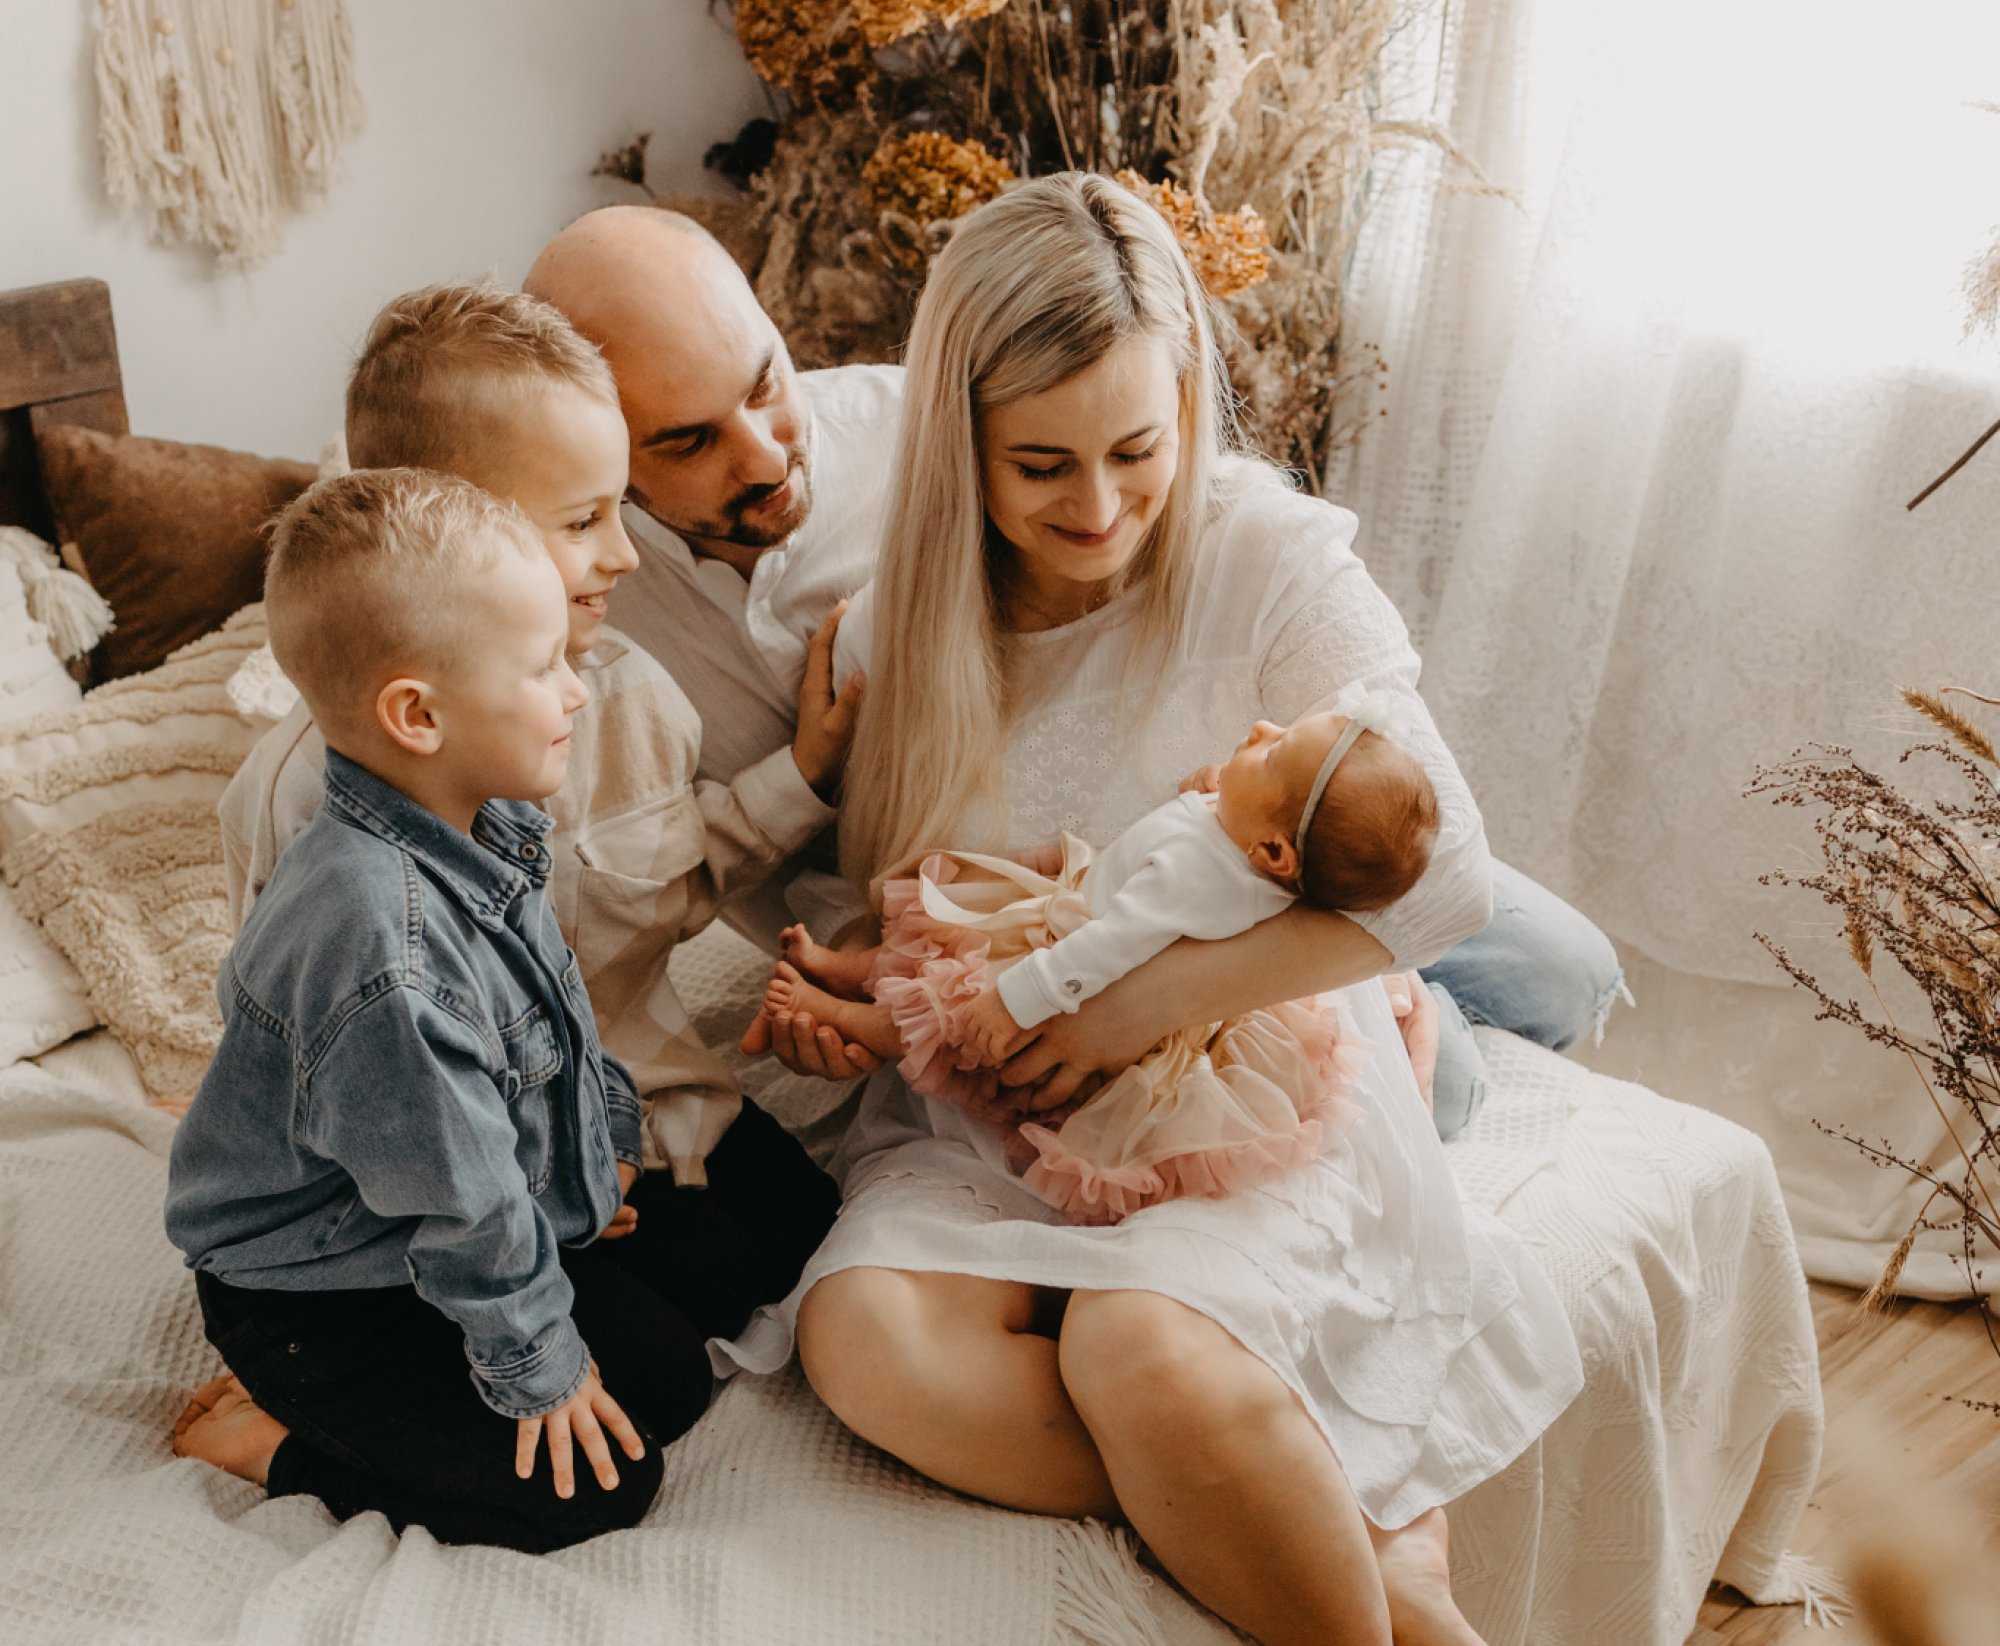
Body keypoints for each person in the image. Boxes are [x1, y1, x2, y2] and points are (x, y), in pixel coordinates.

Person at [737, 173, 1586, 1646]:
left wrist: (1146, 1005)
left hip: (1234, 1077)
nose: (1103, 507)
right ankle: (1355, 1535)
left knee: (1137, 1350)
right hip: (992, 1103)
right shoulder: (899, 626)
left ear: (1187, 397)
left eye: (1138, 448)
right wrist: (836, 980)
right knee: (864, 1343)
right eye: (1042, 466)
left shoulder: (1269, 562)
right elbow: (928, 913)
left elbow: (1444, 875)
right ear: (961, 446)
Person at [525, 202, 1624, 1129]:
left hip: (1206, 809)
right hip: (987, 888)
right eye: (687, 441)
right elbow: (651, 874)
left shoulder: (922, 425)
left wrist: (1343, 947)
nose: (766, 451)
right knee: (1439, 1090)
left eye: (765, 381)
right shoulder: (570, 605)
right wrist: (856, 921)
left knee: (1560, 970)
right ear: (594, 450)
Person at [167, 470, 835, 1551]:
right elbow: (462, 1202)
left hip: (435, 1216)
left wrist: (599, 1157)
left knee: (693, 1323)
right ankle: (275, 1436)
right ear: (417, 716)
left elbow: (560, 1025)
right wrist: (540, 1370)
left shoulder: (487, 826)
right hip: (328, 1287)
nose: (575, 693)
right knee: (603, 1483)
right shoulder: (381, 955)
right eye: (542, 668)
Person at [217, 284, 860, 1203]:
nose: (626, 555)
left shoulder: (633, 694)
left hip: (653, 1107)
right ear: (451, 528)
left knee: (814, 1222)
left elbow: (675, 873)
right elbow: (323, 1039)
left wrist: (803, 774)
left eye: (619, 509)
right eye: (583, 521)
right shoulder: (307, 795)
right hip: (468, 1181)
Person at [754, 697, 1436, 1224]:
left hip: (1078, 970)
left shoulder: (1197, 878)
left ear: (1275, 853)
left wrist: (1017, 997)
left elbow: (1117, 942)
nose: (1261, 727)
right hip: (1074, 919)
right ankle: (847, 968)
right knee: (948, 936)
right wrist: (1215, 789)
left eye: (1273, 751)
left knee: (952, 1014)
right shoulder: (1245, 842)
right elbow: (1200, 836)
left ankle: (852, 1018)